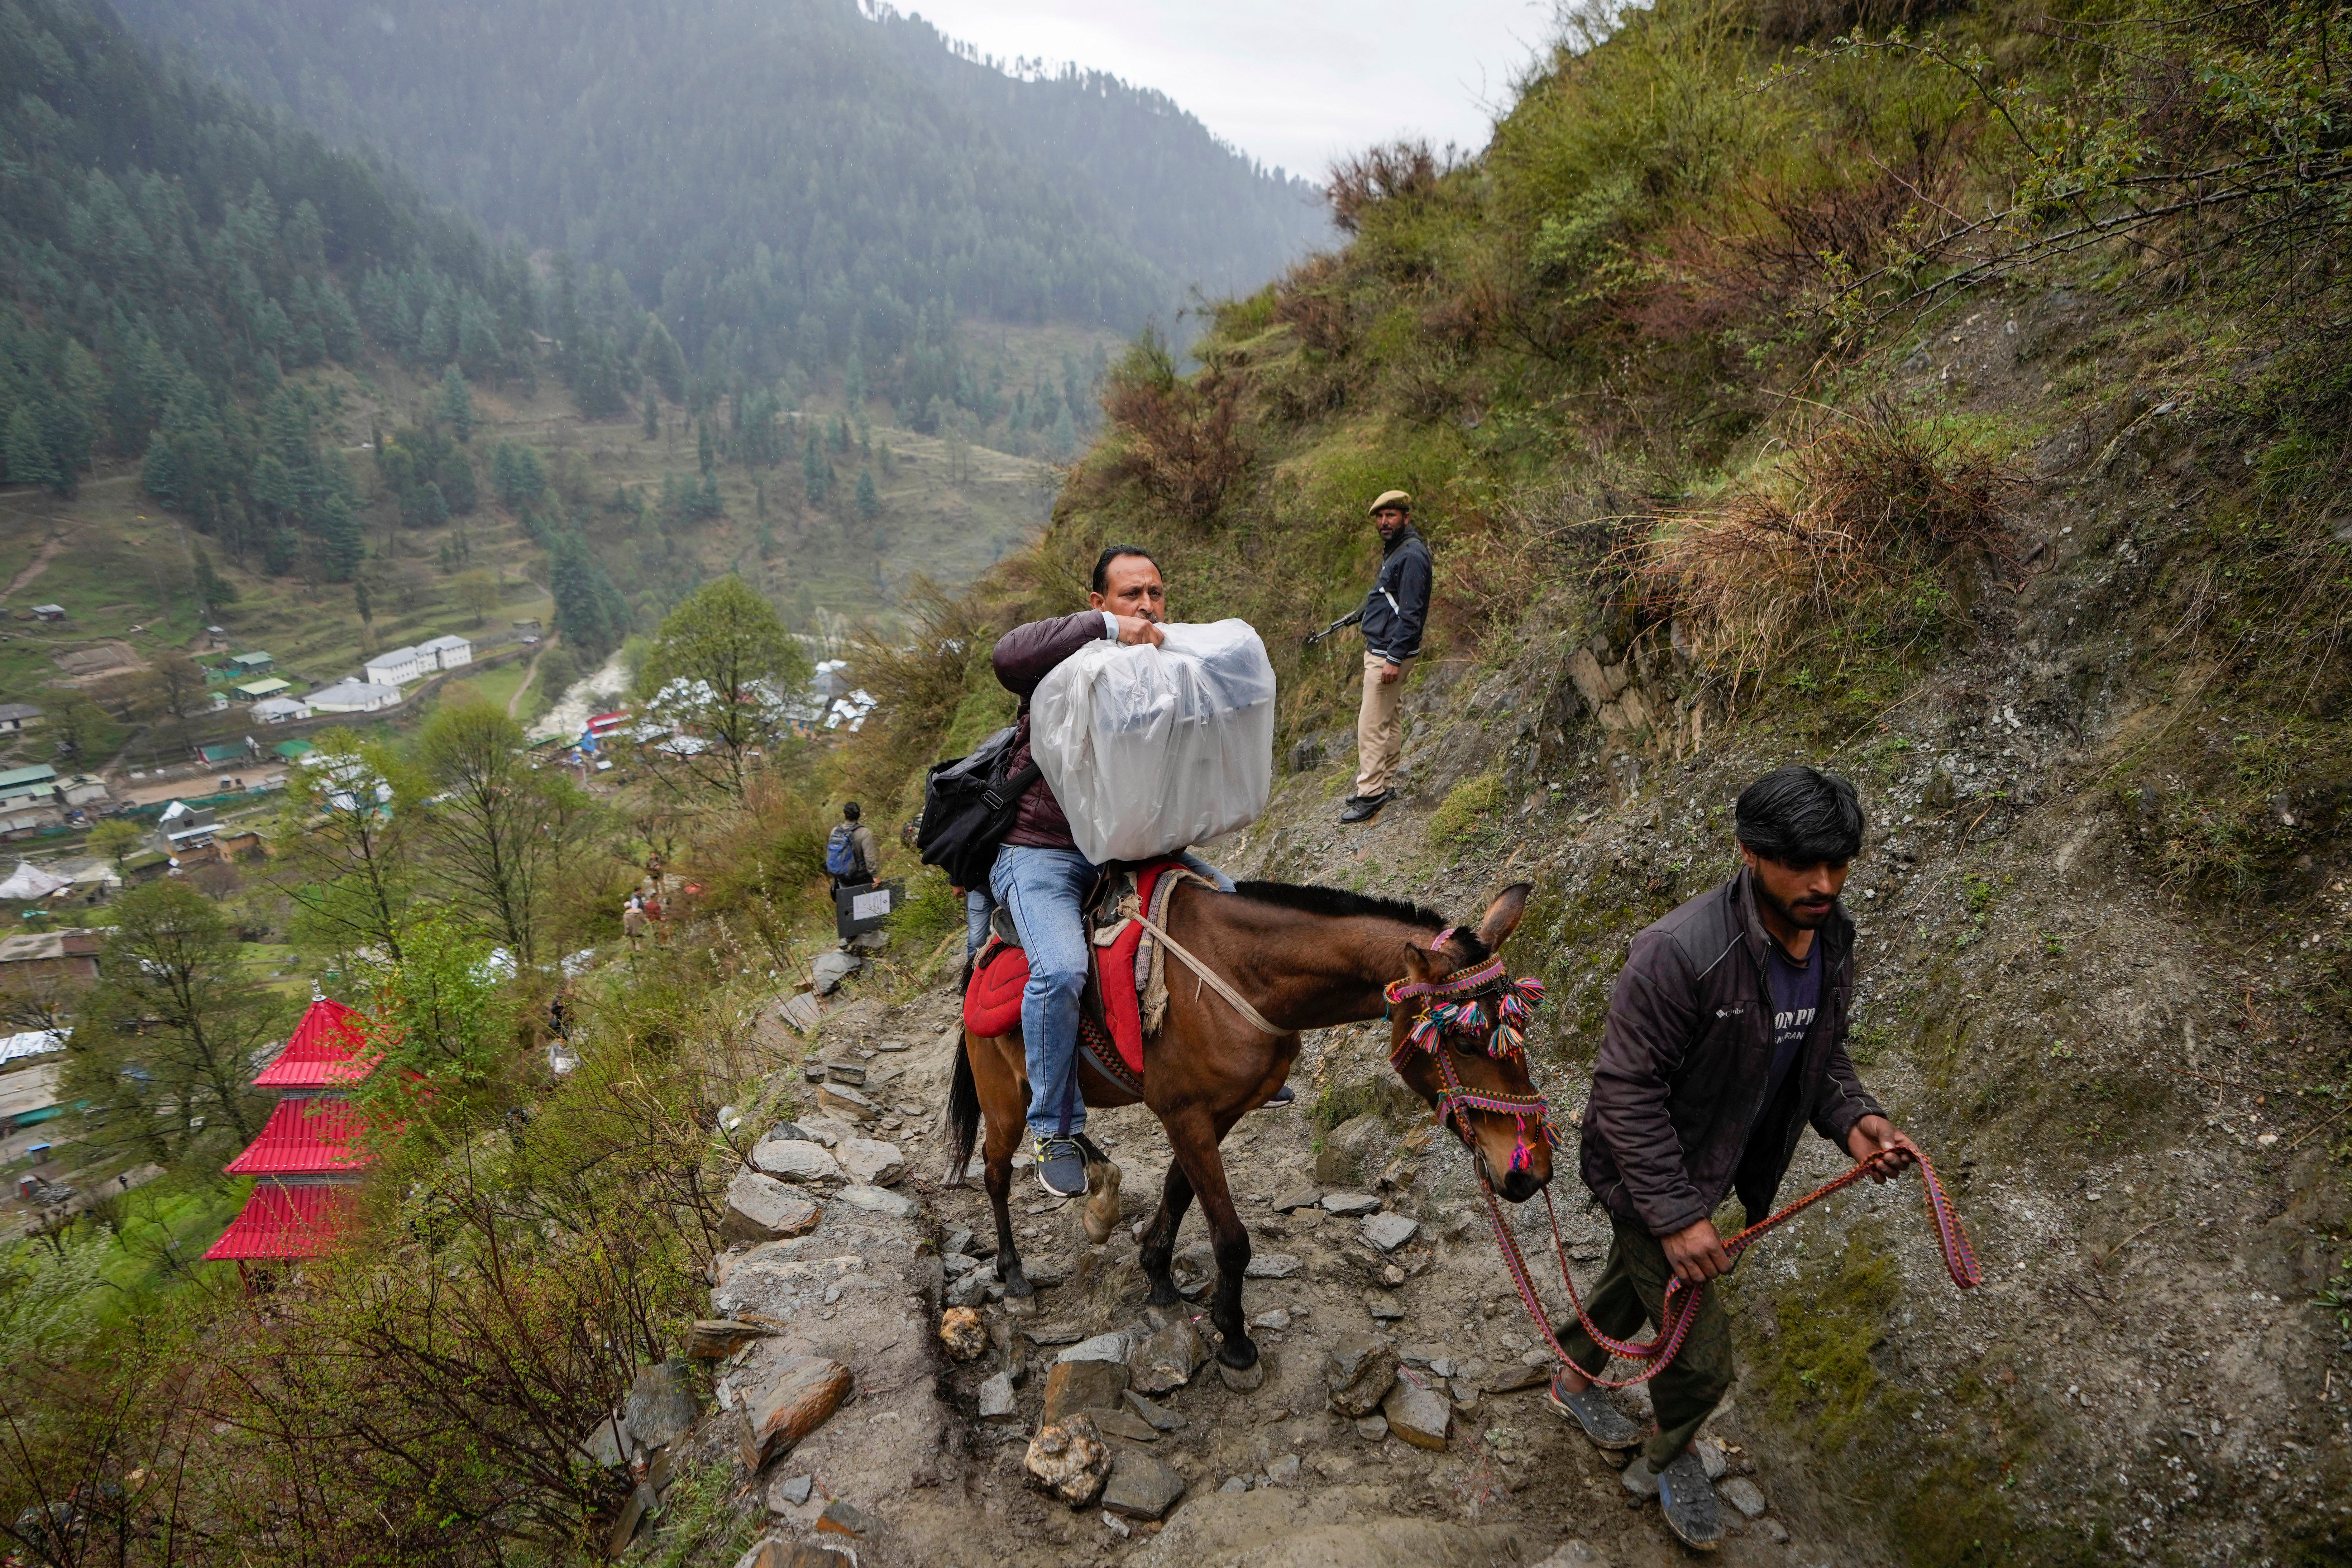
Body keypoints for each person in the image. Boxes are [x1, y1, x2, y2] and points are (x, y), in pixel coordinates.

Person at [1548, 765, 1921, 1550]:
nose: (1824, 883)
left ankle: (1573, 1374)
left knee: (1636, 1278)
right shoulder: (1678, 953)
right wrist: (1679, 1216)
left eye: (1839, 862)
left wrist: (1857, 1120)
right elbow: (1624, 1091)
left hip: (1714, 1164)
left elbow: (1818, 1051)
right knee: (1703, 1355)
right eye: (1803, 864)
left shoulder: (1832, 935)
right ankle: (1672, 1449)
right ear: (1749, 851)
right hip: (1645, 1173)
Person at [989, 545, 1263, 1200]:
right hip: (1044, 850)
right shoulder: (1064, 658)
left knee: (1234, 909)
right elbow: (1007, 655)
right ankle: (1056, 1125)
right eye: (1129, 595)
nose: (1146, 605)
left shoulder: (1169, 669)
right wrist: (1111, 634)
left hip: (1130, 849)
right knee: (1059, 968)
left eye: (1155, 594)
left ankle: (1246, 1066)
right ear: (1099, 603)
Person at [1339, 490, 1432, 825]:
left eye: (1391, 516)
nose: (1383, 522)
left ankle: (1371, 793)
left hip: (1389, 652)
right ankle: (1385, 782)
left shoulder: (1411, 556)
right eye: (1380, 517)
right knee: (1389, 717)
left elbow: (1412, 613)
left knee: (1371, 724)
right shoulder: (1399, 550)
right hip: (1391, 648)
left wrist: (1393, 657)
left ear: (1406, 517)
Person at [828, 801, 881, 894]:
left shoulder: (835, 831)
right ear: (859, 815)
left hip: (842, 877)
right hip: (861, 877)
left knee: (849, 903)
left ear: (845, 814)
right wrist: (875, 876)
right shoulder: (864, 833)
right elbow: (869, 857)